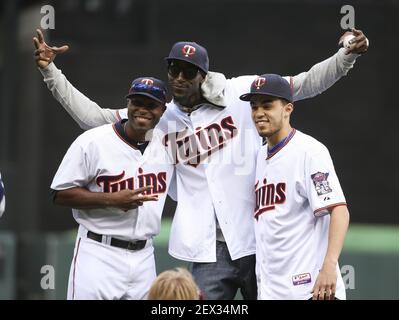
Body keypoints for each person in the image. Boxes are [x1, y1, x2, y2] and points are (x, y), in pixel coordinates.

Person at [34, 28, 368, 299]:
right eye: (173, 69)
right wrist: (50, 71)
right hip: (206, 249)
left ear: (202, 75)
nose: (179, 77)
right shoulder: (159, 116)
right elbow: (95, 119)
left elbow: (302, 84)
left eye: (188, 71)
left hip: (255, 240)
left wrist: (346, 56)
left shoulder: (240, 94)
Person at [50, 77, 175, 299]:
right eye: (137, 102)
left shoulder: (168, 145)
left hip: (145, 256)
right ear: (127, 105)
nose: (142, 110)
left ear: (163, 110)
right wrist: (111, 199)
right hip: (98, 252)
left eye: (151, 105)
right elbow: (60, 194)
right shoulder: (93, 141)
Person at [239, 73, 350, 300]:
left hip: (311, 290)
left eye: (267, 105)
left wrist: (329, 265)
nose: (259, 113)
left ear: (288, 109)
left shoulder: (309, 151)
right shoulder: (260, 156)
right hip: (274, 291)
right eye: (254, 106)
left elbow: (339, 210)